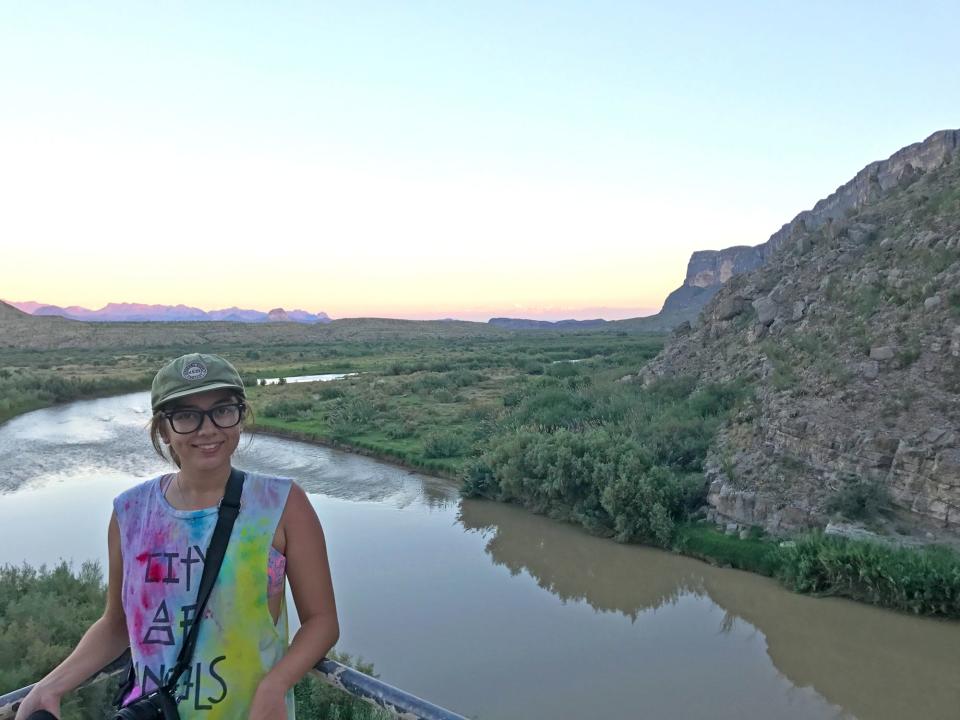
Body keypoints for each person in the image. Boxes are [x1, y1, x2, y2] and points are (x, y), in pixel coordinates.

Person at [16, 353, 339, 720]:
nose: (207, 429)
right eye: (186, 415)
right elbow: (116, 624)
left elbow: (322, 621)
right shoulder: (130, 512)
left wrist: (275, 684)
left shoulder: (282, 503)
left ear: (240, 416)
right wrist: (50, 685)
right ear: (163, 429)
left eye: (222, 410)